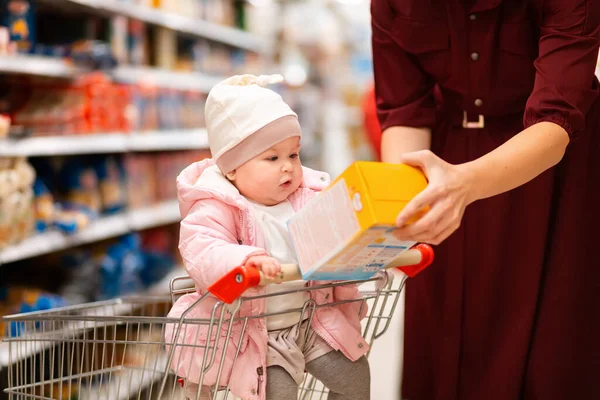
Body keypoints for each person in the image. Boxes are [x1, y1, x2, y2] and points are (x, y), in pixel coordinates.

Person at [370, 1, 600, 399]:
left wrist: (464, 184)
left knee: (553, 345)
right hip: (443, 160)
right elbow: (405, 111)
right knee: (443, 337)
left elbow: (557, 116)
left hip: (555, 167)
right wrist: (405, 206)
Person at [164, 74, 371, 400]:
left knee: (355, 378)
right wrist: (247, 260)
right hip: (259, 334)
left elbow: (337, 230)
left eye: (294, 155)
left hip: (312, 319)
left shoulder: (309, 196)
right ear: (232, 168)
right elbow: (202, 249)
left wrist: (365, 242)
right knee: (277, 392)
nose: (288, 167)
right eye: (272, 158)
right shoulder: (217, 205)